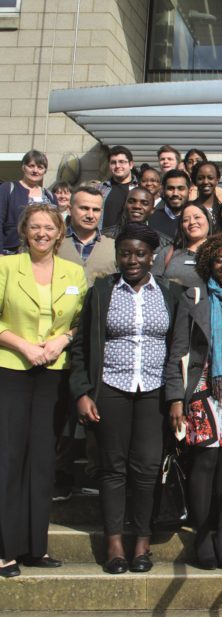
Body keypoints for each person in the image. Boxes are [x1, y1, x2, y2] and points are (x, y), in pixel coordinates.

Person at [70, 223, 183, 576]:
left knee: (147, 468)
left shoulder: (169, 293)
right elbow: (81, 347)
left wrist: (176, 397)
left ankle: (142, 542)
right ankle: (115, 544)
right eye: (125, 253)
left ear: (152, 257)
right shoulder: (102, 291)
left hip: (153, 391)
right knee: (113, 468)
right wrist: (82, 392)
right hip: (111, 388)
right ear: (117, 256)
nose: (132, 260)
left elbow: (177, 348)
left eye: (140, 254)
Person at [0, 204, 86, 578]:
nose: (41, 233)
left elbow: (82, 321)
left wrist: (62, 340)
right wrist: (24, 346)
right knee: (9, 458)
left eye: (48, 227)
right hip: (12, 369)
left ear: (59, 233)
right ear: (24, 231)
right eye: (34, 227)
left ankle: (36, 547)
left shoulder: (74, 273)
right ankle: (5, 549)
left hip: (53, 372)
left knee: (42, 460)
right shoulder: (5, 267)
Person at [166, 234, 222, 571]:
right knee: (206, 461)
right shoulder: (194, 296)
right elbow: (178, 350)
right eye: (219, 260)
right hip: (202, 386)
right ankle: (202, 535)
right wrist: (175, 397)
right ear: (208, 263)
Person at [59, 186, 117, 284]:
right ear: (69, 209)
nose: (90, 215)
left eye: (96, 210)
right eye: (84, 208)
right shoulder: (54, 242)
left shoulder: (114, 246)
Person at [1, 150, 56, 253]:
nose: (35, 170)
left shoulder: (50, 196)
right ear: (23, 167)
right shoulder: (8, 189)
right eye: (31, 166)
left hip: (42, 252)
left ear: (45, 171)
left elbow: (55, 225)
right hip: (12, 252)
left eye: (40, 167)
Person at [152, 202, 213, 289]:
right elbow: (152, 284)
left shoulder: (219, 252)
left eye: (197, 217)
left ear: (208, 219)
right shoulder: (168, 252)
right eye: (186, 220)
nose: (192, 222)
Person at [97, 146, 138, 231]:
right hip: (103, 237)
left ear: (131, 165)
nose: (117, 166)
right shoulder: (99, 189)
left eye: (121, 162)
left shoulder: (140, 189)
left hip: (131, 237)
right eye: (113, 162)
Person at [148, 169, 190, 240]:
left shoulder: (197, 219)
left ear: (189, 191)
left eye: (181, 188)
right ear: (163, 190)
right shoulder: (150, 219)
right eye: (170, 188)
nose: (175, 193)